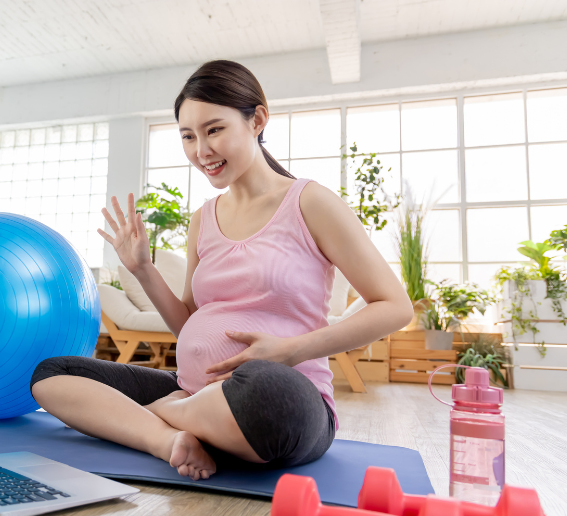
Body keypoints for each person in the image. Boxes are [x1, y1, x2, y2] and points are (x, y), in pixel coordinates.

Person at [31, 60, 413, 481]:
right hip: (194, 389)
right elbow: (189, 324)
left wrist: (292, 350)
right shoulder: (203, 219)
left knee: (263, 392)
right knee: (52, 375)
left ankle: (157, 416)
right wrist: (142, 269)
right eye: (188, 137)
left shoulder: (310, 202)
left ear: (257, 120)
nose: (201, 151)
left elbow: (395, 307)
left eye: (214, 130)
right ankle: (169, 440)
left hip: (278, 396)